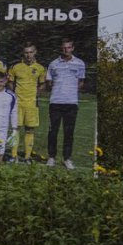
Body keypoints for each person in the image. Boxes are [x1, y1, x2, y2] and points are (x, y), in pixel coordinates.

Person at [46, 38, 85, 170]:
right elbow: (49, 83)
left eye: (68, 47)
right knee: (53, 132)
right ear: (61, 48)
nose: (66, 50)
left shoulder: (80, 63)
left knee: (69, 132)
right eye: (63, 48)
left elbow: (80, 82)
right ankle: (51, 157)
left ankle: (67, 158)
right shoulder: (53, 64)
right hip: (55, 103)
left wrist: (70, 92)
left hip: (71, 103)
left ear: (72, 48)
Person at [8, 42, 46, 163]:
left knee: (30, 130)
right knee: (15, 129)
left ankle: (27, 156)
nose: (28, 55)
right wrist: (14, 95)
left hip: (31, 104)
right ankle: (13, 156)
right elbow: (10, 82)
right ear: (23, 53)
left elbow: (42, 84)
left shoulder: (40, 68)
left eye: (31, 52)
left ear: (35, 52)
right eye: (26, 52)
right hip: (18, 103)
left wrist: (36, 95)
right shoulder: (16, 67)